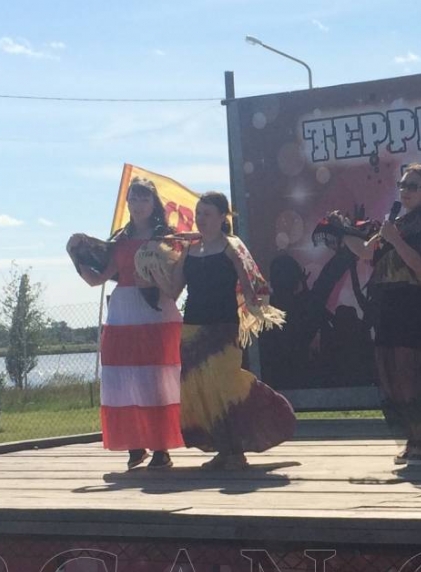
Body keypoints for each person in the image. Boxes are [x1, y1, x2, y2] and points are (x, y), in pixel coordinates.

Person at [341, 164, 421, 465]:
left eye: (412, 186)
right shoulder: (398, 221)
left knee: (412, 373)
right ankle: (413, 439)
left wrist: (395, 239)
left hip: (417, 304)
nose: (405, 191)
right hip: (390, 302)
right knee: (392, 373)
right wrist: (341, 231)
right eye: (402, 185)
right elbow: (368, 252)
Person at [166, 191, 295, 471]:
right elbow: (173, 292)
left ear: (222, 216)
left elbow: (250, 287)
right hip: (192, 328)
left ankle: (239, 446)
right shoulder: (188, 250)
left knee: (225, 387)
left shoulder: (231, 247)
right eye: (198, 213)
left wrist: (258, 305)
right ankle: (224, 450)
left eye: (207, 213)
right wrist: (152, 271)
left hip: (223, 327)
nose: (200, 219)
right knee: (200, 389)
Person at [67, 177, 183, 471]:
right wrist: (75, 255)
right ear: (127, 202)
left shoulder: (167, 237)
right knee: (123, 378)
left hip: (156, 309)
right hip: (122, 312)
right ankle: (135, 444)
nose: (138, 204)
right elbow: (97, 280)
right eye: (133, 198)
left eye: (144, 198)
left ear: (154, 203)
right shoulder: (119, 238)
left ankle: (161, 447)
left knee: (156, 379)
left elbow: (176, 281)